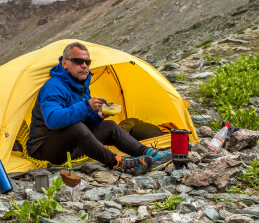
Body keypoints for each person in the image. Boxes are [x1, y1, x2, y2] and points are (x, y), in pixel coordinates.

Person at [26, 42, 172, 175]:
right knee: (76, 128)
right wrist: (86, 105)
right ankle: (120, 164)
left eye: (87, 62)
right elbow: (53, 120)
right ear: (65, 63)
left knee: (108, 126)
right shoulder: (53, 86)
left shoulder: (81, 86)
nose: (84, 65)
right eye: (78, 61)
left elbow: (86, 128)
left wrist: (98, 116)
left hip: (71, 146)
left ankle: (150, 153)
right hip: (45, 150)